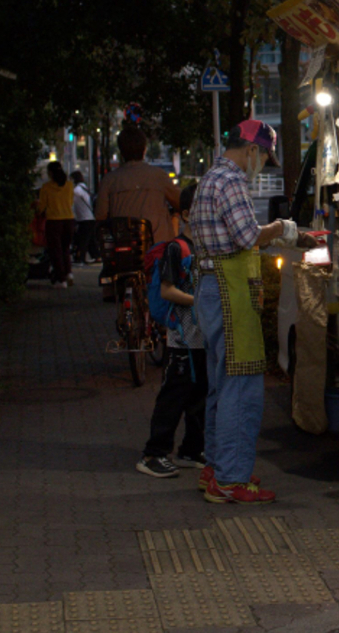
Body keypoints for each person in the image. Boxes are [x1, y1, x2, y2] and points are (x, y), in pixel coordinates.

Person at [192, 120, 320, 505]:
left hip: (210, 288)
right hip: (228, 294)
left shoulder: (209, 178)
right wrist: (285, 228)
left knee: (220, 384)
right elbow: (248, 236)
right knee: (241, 385)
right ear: (250, 149)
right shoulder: (230, 181)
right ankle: (232, 479)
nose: (263, 164)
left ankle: (216, 469)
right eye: (264, 156)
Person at [136, 184, 207, 477]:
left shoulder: (204, 248)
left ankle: (191, 450)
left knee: (199, 396)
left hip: (201, 340)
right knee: (173, 398)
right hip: (181, 341)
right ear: (188, 214)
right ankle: (154, 454)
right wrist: (201, 302)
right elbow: (166, 291)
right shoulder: (176, 249)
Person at [96, 125, 180, 300]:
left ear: (121, 151)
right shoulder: (158, 176)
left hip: (122, 249)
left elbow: (100, 215)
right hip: (156, 247)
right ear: (144, 149)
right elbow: (179, 202)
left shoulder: (109, 180)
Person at [37, 161, 76, 288]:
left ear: (51, 173)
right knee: (66, 249)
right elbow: (70, 202)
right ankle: (69, 273)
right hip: (69, 220)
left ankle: (61, 279)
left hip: (54, 221)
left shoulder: (46, 187)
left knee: (56, 251)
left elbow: (41, 207)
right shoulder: (69, 186)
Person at [70, 171, 97, 264]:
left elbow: (72, 205)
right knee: (90, 239)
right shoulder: (84, 188)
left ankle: (81, 258)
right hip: (90, 217)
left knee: (83, 239)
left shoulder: (76, 191)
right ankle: (96, 256)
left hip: (83, 218)